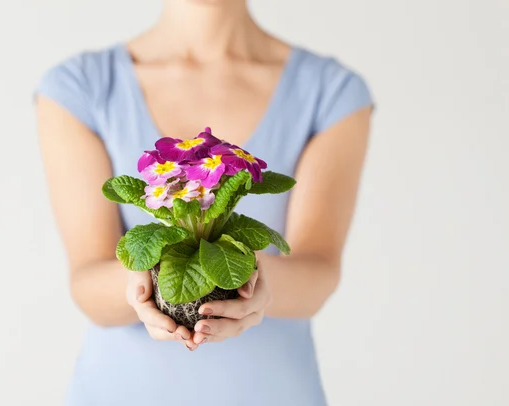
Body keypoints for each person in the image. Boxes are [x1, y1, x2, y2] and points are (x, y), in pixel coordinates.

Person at [34, 0, 373, 404]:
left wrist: (250, 282)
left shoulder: (331, 90)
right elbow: (88, 285)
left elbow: (318, 274)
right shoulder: (80, 86)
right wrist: (144, 281)